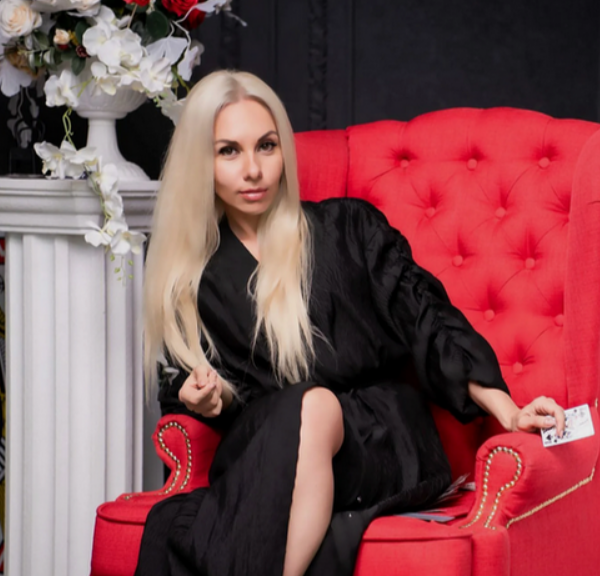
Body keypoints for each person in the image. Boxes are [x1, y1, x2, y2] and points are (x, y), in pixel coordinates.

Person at [135, 70, 566, 576]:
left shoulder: (349, 228)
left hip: (377, 438)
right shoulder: (194, 277)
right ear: (200, 163)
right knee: (300, 412)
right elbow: (222, 390)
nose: (253, 169)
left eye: (267, 146)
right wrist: (209, 400)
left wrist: (509, 412)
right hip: (269, 451)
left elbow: (426, 317)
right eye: (228, 151)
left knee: (315, 405)